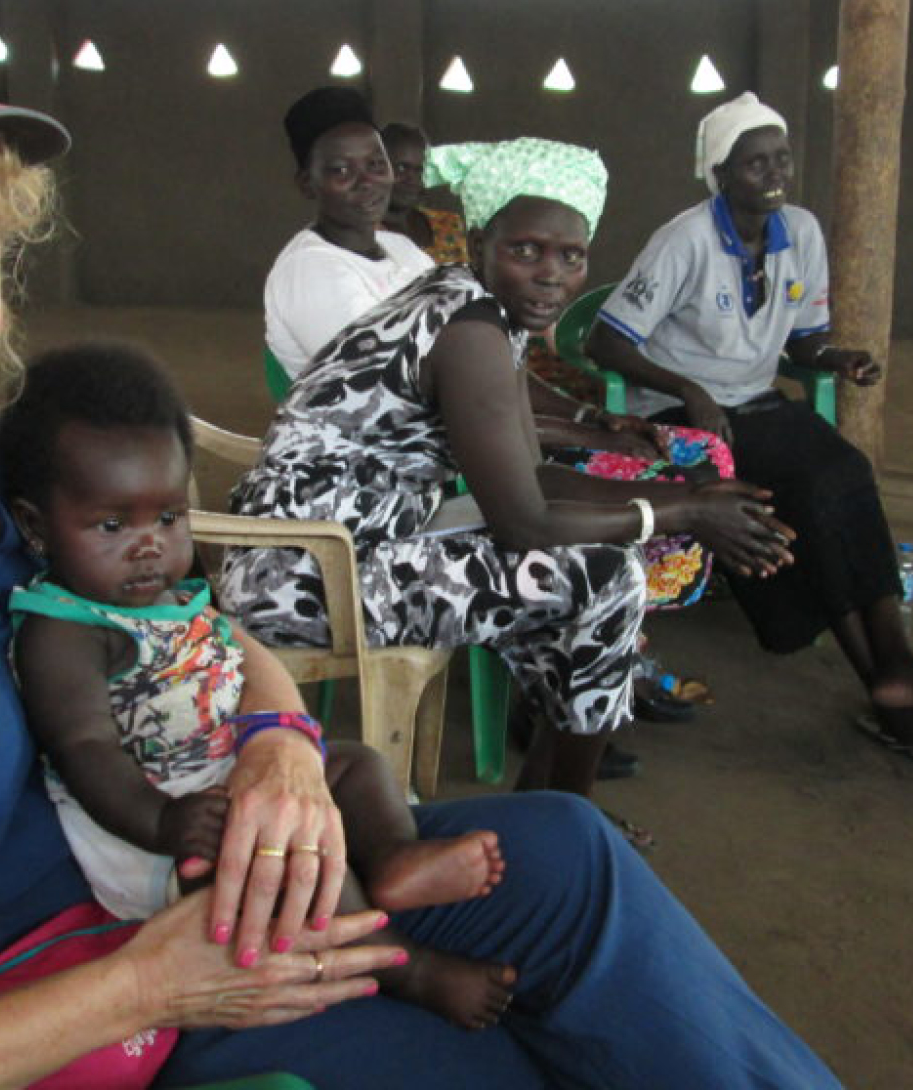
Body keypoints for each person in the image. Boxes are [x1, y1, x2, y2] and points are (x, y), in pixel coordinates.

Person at [0, 25, 845, 1090]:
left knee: (570, 854)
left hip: (188, 878)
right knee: (516, 1050)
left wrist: (281, 739)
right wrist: (148, 981)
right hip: (75, 1006)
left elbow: (190, 619)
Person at [222, 136, 796, 805]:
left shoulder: (478, 309)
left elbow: (536, 476)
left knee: (598, 569)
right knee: (607, 576)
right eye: (526, 250)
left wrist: (678, 490)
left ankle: (544, 805)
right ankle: (566, 820)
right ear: (475, 243)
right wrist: (687, 513)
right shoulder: (465, 328)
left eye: (570, 256)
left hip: (358, 540)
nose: (550, 274)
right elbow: (525, 520)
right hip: (309, 573)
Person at [1, 343, 515, 1029]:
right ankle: (403, 967)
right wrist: (164, 823)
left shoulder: (166, 589)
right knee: (282, 848)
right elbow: (85, 749)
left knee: (355, 762)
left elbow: (222, 656)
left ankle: (393, 857)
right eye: (113, 524)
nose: (149, 543)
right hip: (156, 828)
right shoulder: (62, 630)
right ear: (35, 526)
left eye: (167, 516)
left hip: (223, 774)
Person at [585, 92, 913, 759]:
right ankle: (886, 674)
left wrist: (837, 358)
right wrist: (686, 387)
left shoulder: (799, 231)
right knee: (802, 491)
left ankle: (893, 662)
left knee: (845, 474)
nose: (775, 173)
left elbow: (804, 342)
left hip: (756, 403)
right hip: (680, 412)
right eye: (755, 163)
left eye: (781, 158)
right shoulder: (683, 240)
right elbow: (607, 342)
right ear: (720, 173)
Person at [263, 87, 432, 379]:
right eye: (341, 170)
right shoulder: (308, 270)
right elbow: (381, 377)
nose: (366, 182)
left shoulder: (403, 250)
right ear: (306, 183)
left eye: (376, 164)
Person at [380, 122, 469, 266]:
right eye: (402, 168)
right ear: (377, 168)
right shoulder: (364, 233)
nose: (412, 179)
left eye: (420, 170)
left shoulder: (448, 225)